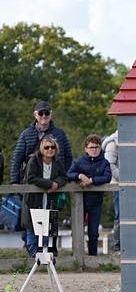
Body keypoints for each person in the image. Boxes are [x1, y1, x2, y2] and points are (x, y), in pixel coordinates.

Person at [11, 101, 73, 256]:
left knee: (51, 215)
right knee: (30, 215)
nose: (44, 116)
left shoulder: (60, 133)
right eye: (41, 113)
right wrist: (14, 182)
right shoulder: (26, 133)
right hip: (32, 182)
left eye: (46, 113)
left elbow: (69, 158)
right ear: (35, 115)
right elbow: (17, 158)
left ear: (50, 114)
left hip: (54, 182)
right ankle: (33, 249)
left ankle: (50, 249)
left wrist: (60, 181)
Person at [20, 136, 69, 257]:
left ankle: (45, 255)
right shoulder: (34, 160)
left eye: (52, 147)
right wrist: (49, 184)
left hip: (50, 199)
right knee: (32, 224)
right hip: (34, 198)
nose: (50, 149)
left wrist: (56, 183)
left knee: (48, 224)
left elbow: (64, 177)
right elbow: (30, 177)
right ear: (42, 148)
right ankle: (34, 254)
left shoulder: (57, 162)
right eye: (47, 147)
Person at [67, 134, 113, 256]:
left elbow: (107, 177)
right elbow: (69, 174)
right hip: (79, 202)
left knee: (93, 232)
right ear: (86, 148)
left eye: (97, 147)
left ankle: (93, 258)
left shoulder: (104, 163)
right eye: (91, 147)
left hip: (96, 202)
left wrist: (91, 180)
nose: (94, 150)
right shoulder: (78, 162)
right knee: (77, 230)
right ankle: (76, 256)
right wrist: (80, 176)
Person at [102, 131, 120, 251]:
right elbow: (109, 164)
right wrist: (125, 179)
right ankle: (118, 246)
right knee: (120, 215)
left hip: (134, 185)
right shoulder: (112, 144)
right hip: (118, 185)